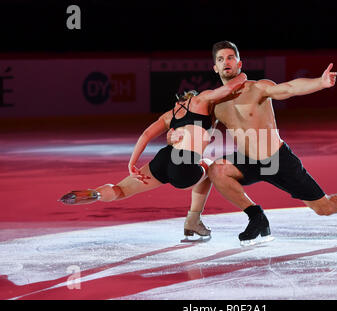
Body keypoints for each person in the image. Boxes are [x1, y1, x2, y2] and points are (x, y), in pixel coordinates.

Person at [168, 41, 337, 245]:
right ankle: (256, 216)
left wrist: (320, 82)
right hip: (248, 161)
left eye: (230, 57)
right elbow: (198, 132)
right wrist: (176, 138)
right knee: (217, 169)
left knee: (323, 208)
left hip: (278, 160)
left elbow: (289, 88)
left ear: (239, 63)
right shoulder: (215, 103)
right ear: (215, 68)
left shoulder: (257, 88)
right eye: (220, 59)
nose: (225, 62)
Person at [59, 71, 247, 239]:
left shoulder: (169, 115)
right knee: (210, 166)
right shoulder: (202, 100)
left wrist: (132, 163)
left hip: (164, 158)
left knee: (120, 190)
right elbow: (229, 87)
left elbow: (146, 135)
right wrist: (242, 74)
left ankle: (97, 193)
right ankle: (193, 220)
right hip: (184, 165)